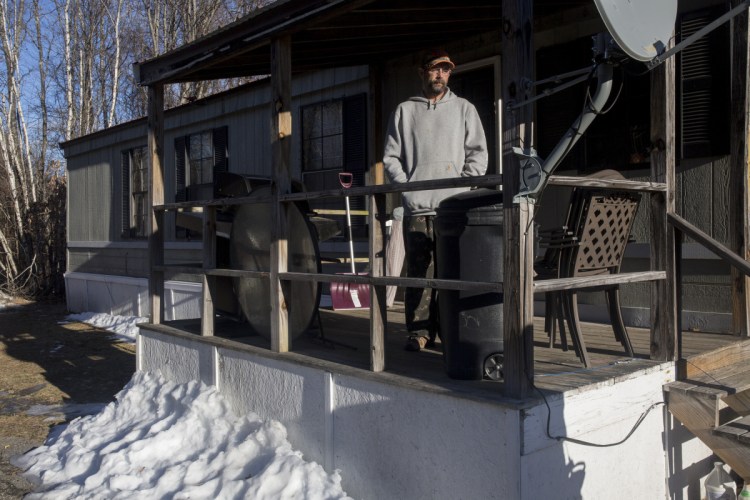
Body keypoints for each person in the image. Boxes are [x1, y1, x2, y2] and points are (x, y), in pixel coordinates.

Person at [383, 49, 488, 351]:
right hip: (417, 207)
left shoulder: (464, 109)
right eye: (434, 69)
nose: (440, 74)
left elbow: (478, 155)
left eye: (446, 70)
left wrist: (463, 189)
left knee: (451, 273)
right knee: (419, 274)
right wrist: (407, 187)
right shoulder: (404, 111)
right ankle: (418, 333)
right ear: (422, 72)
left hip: (452, 208)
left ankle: (450, 331)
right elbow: (391, 157)